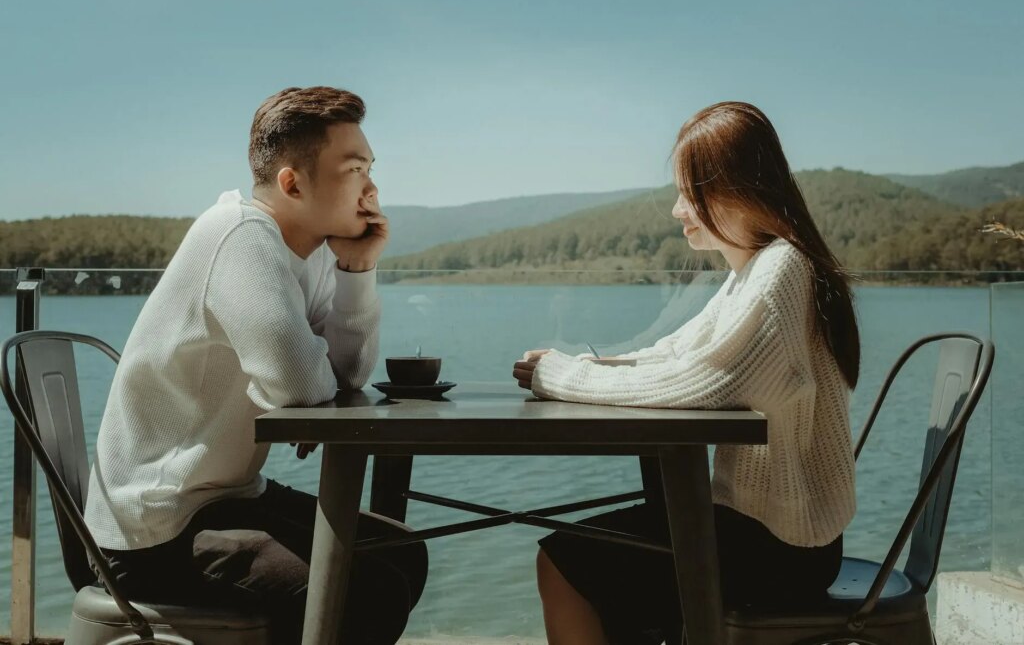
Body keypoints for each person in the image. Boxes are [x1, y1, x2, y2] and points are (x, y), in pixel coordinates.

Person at [85, 86, 427, 644]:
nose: (372, 187)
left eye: (371, 168)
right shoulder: (240, 236)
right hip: (156, 528)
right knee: (366, 587)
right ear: (292, 182)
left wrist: (357, 271)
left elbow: (342, 379)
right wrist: (301, 385)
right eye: (355, 168)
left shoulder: (313, 254)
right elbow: (301, 389)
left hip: (232, 495)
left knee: (402, 552)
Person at [512, 101, 859, 645]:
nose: (677, 210)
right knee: (597, 560)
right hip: (769, 530)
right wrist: (578, 367)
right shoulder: (755, 270)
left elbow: (707, 383)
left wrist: (561, 378)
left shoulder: (782, 269)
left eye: (689, 192)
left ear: (736, 189)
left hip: (781, 547)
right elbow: (676, 356)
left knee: (564, 563)